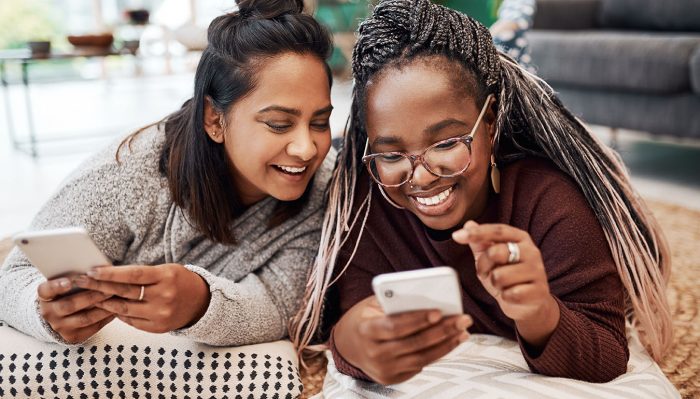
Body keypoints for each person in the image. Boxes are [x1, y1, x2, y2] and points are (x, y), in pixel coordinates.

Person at [291, 0, 672, 384]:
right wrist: (356, 345)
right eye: (391, 153)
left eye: (445, 144)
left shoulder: (549, 201)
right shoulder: (368, 205)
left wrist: (538, 311)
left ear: (489, 123)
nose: (420, 178)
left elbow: (607, 354)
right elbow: (348, 325)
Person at [0, 0, 335, 347]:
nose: (307, 148)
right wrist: (44, 311)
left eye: (320, 122)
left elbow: (282, 305)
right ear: (214, 119)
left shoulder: (325, 188)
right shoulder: (127, 174)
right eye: (279, 124)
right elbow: (13, 278)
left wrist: (202, 304)